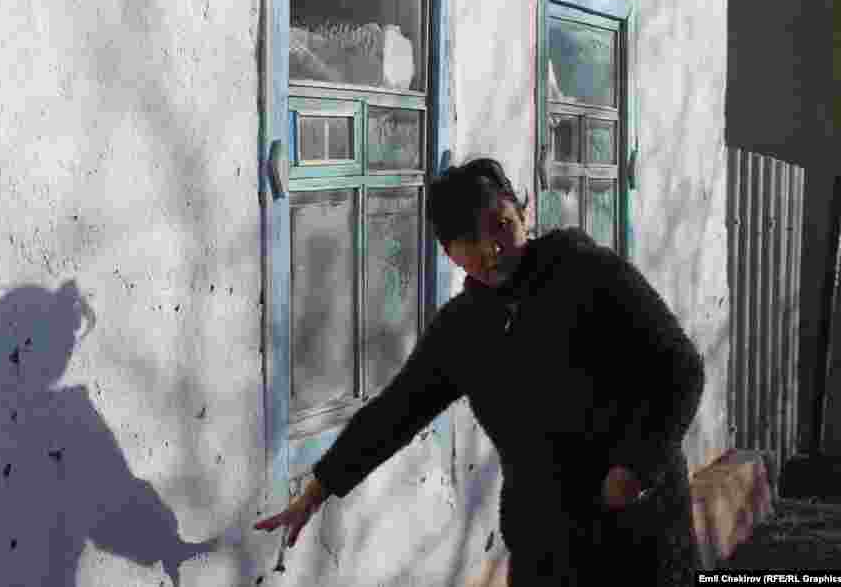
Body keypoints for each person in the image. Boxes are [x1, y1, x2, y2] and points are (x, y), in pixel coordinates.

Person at [254, 157, 705, 585]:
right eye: (470, 240)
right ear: (449, 252)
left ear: (523, 213)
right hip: (547, 552)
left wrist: (636, 466)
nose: (491, 250)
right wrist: (318, 489)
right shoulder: (463, 331)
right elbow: (395, 412)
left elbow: (680, 368)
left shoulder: (591, 275)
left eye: (501, 225)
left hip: (638, 536)